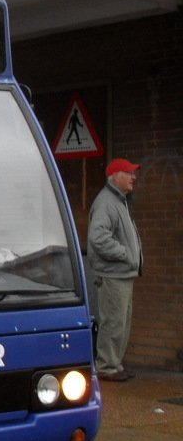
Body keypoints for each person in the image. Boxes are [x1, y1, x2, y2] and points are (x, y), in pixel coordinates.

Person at [87, 157, 142, 381]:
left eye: (133, 173)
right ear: (115, 176)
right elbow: (98, 238)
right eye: (129, 173)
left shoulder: (119, 201)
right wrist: (125, 254)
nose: (133, 177)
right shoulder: (106, 202)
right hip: (112, 274)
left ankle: (115, 364)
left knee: (121, 322)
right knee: (113, 321)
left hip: (122, 273)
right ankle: (106, 367)